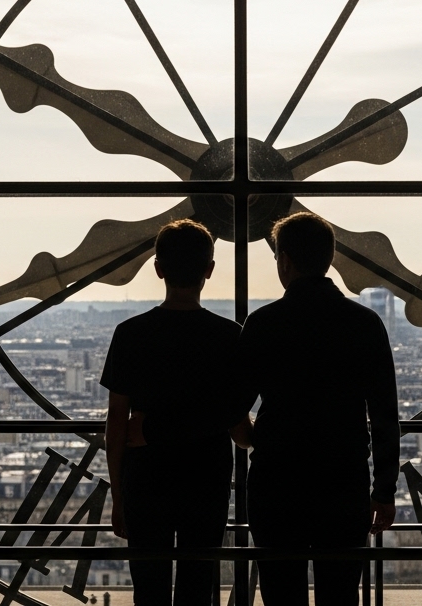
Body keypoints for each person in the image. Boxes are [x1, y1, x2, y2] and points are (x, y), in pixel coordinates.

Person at [238, 212, 399, 606]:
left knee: (281, 593)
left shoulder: (262, 324)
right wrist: (384, 490)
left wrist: (255, 438)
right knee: (340, 594)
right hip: (343, 484)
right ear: (328, 259)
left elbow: (233, 407)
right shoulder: (365, 324)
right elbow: (384, 416)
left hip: (277, 484)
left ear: (285, 261)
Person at [100, 219, 251, 606]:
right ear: (209, 271)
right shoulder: (229, 336)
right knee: (197, 584)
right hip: (206, 476)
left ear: (158, 269)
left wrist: (120, 498)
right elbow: (236, 421)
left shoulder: (130, 334)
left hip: (146, 477)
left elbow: (117, 424)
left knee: (149, 587)